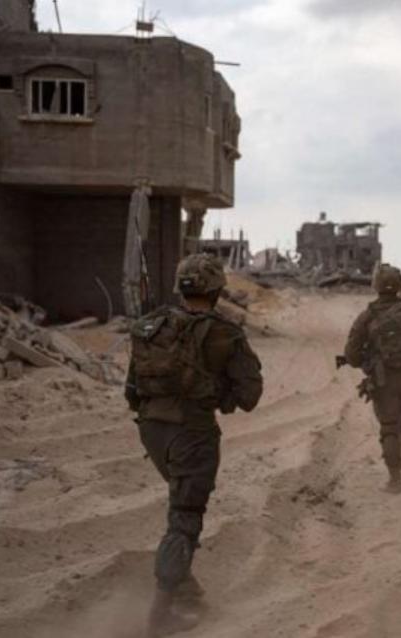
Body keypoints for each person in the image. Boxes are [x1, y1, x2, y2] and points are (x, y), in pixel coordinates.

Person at [125, 253, 263, 635]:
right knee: (184, 518)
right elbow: (250, 396)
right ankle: (161, 612)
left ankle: (186, 589)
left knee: (180, 502)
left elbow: (132, 392)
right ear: (217, 290)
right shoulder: (226, 333)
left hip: (152, 430)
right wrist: (220, 392)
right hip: (192, 434)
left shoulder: (151, 325)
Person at [343, 264, 401, 493]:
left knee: (388, 426)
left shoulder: (366, 317)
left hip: (382, 377)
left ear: (375, 286)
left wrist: (368, 364)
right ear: (400, 286)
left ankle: (395, 481)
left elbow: (351, 355)